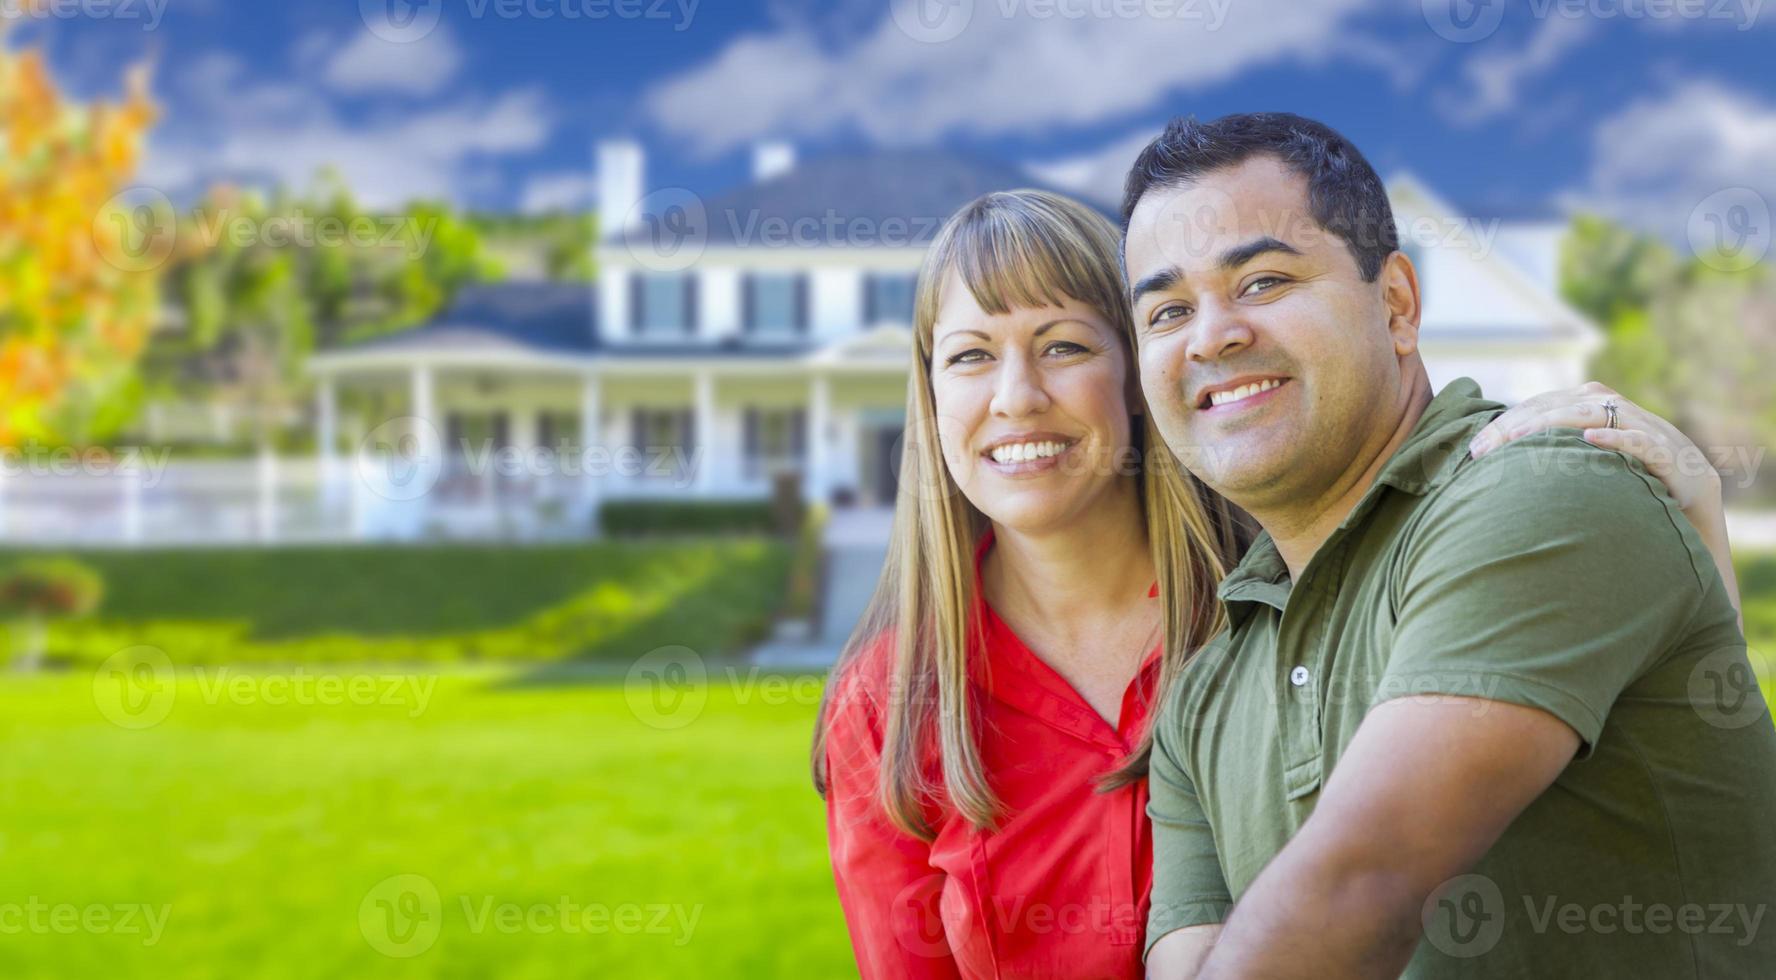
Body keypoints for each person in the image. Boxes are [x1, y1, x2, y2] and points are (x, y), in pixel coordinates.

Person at [815, 186, 1744, 978]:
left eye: (1064, 345)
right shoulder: (889, 705)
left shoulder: (1287, 595)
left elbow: (1665, 784)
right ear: (930, 397)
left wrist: (1689, 521)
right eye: (970, 356)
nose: (1016, 395)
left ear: (1140, 373)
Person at [1123, 112, 1776, 978]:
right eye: (1167, 310)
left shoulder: (1539, 489)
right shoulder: (1201, 698)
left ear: (1396, 304)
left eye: (1264, 281)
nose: (1211, 336)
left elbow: (1366, 879)